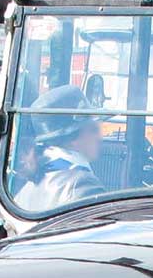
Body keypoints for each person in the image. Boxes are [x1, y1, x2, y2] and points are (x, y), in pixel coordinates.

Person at [13, 83, 104, 212]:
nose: (100, 137)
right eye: (93, 129)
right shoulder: (82, 185)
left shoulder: (25, 190)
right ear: (73, 139)